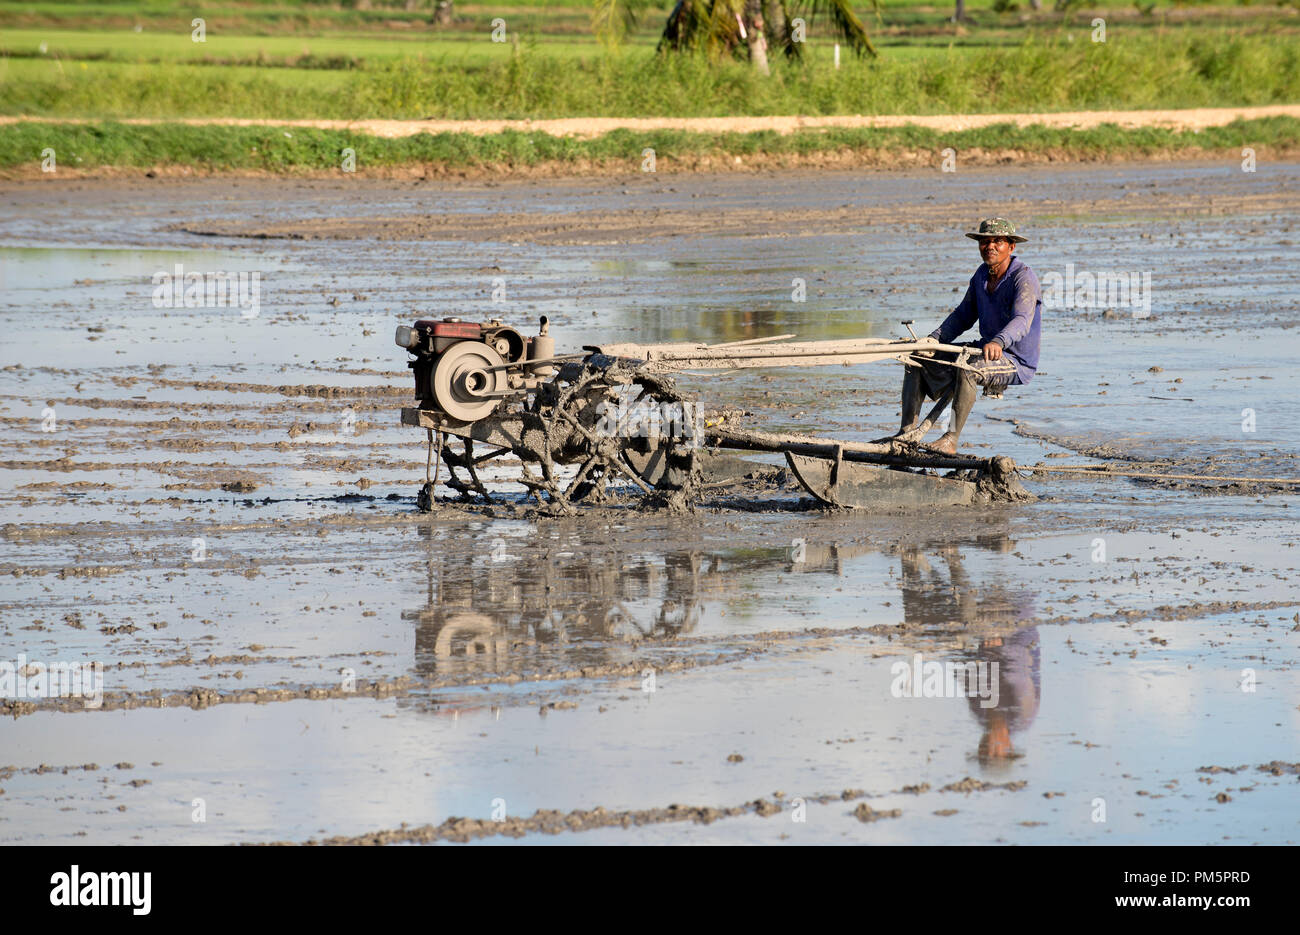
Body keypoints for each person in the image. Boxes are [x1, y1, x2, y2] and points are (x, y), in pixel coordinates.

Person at [898, 218, 1042, 455]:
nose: (990, 246)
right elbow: (964, 315)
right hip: (984, 350)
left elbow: (1021, 321)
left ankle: (950, 438)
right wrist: (933, 341)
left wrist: (999, 341)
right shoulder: (981, 276)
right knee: (917, 358)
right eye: (985, 242)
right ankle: (905, 433)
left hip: (1015, 360)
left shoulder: (1023, 277)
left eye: (997, 241)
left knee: (967, 369)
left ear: (1011, 247)